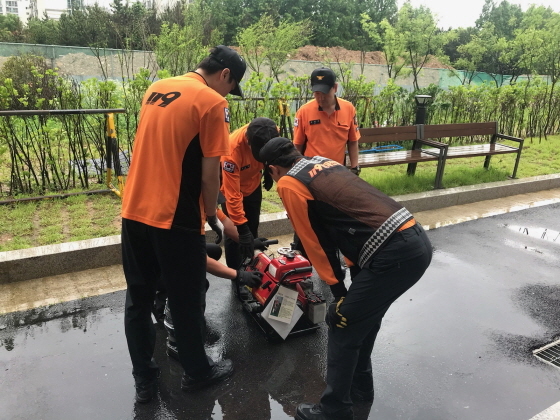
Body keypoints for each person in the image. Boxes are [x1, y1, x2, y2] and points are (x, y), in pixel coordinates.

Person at [258, 137, 433, 420]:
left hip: (391, 253)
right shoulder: (322, 162)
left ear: (272, 168)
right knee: (363, 319)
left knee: (341, 322)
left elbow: (315, 242)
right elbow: (342, 220)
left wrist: (338, 292)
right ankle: (360, 388)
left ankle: (334, 410)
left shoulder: (289, 182)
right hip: (411, 239)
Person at [121, 45, 246, 403]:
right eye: (231, 86)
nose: (228, 95)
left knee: (138, 298)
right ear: (224, 75)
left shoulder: (156, 88)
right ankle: (197, 372)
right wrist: (210, 216)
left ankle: (144, 381)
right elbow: (211, 175)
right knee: (187, 297)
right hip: (174, 215)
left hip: (133, 209)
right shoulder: (211, 103)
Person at [220, 117, 279, 268]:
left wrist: (267, 170)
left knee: (253, 227)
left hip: (253, 184)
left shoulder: (272, 130)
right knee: (236, 234)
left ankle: (252, 266)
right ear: (248, 141)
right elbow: (232, 195)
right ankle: (236, 274)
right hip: (231, 186)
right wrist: (241, 228)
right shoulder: (232, 150)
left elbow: (274, 154)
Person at [293, 67, 361, 175]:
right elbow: (298, 145)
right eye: (317, 93)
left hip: (338, 170)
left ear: (335, 87)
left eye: (325, 93)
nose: (321, 98)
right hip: (312, 172)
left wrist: (355, 167)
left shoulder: (348, 108)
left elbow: (353, 141)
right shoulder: (303, 111)